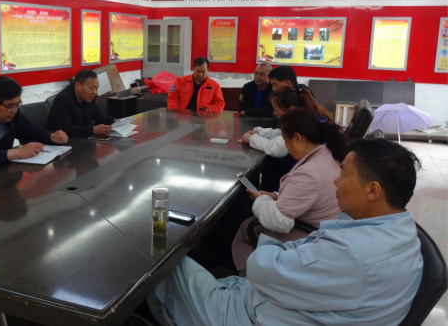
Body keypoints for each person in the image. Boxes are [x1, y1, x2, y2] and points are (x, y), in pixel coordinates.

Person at [149, 138, 423, 326]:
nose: (335, 181)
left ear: (372, 190)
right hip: (284, 304)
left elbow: (261, 270)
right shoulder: (399, 230)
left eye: (344, 174)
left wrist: (271, 250)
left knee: (166, 264)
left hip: (252, 315)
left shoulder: (354, 254)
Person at [232, 108, 346, 271]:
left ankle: (252, 276)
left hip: (306, 236)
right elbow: (306, 196)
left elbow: (281, 221)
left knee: (247, 227)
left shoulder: (310, 173)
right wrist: (276, 196)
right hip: (321, 225)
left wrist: (261, 199)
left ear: (297, 138)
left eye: (285, 140)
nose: (285, 146)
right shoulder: (328, 153)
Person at [240, 86, 333, 191]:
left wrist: (252, 139)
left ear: (290, 109)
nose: (274, 113)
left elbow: (277, 148)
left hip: (306, 178)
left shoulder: (306, 123)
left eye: (276, 109)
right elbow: (281, 133)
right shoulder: (304, 116)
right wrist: (260, 132)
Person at [47, 69, 115, 137]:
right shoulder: (63, 99)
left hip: (83, 138)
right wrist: (92, 129)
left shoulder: (89, 96)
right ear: (78, 85)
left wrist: (116, 121)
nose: (95, 92)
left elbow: (100, 117)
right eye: (91, 88)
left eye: (96, 88)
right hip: (64, 140)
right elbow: (65, 129)